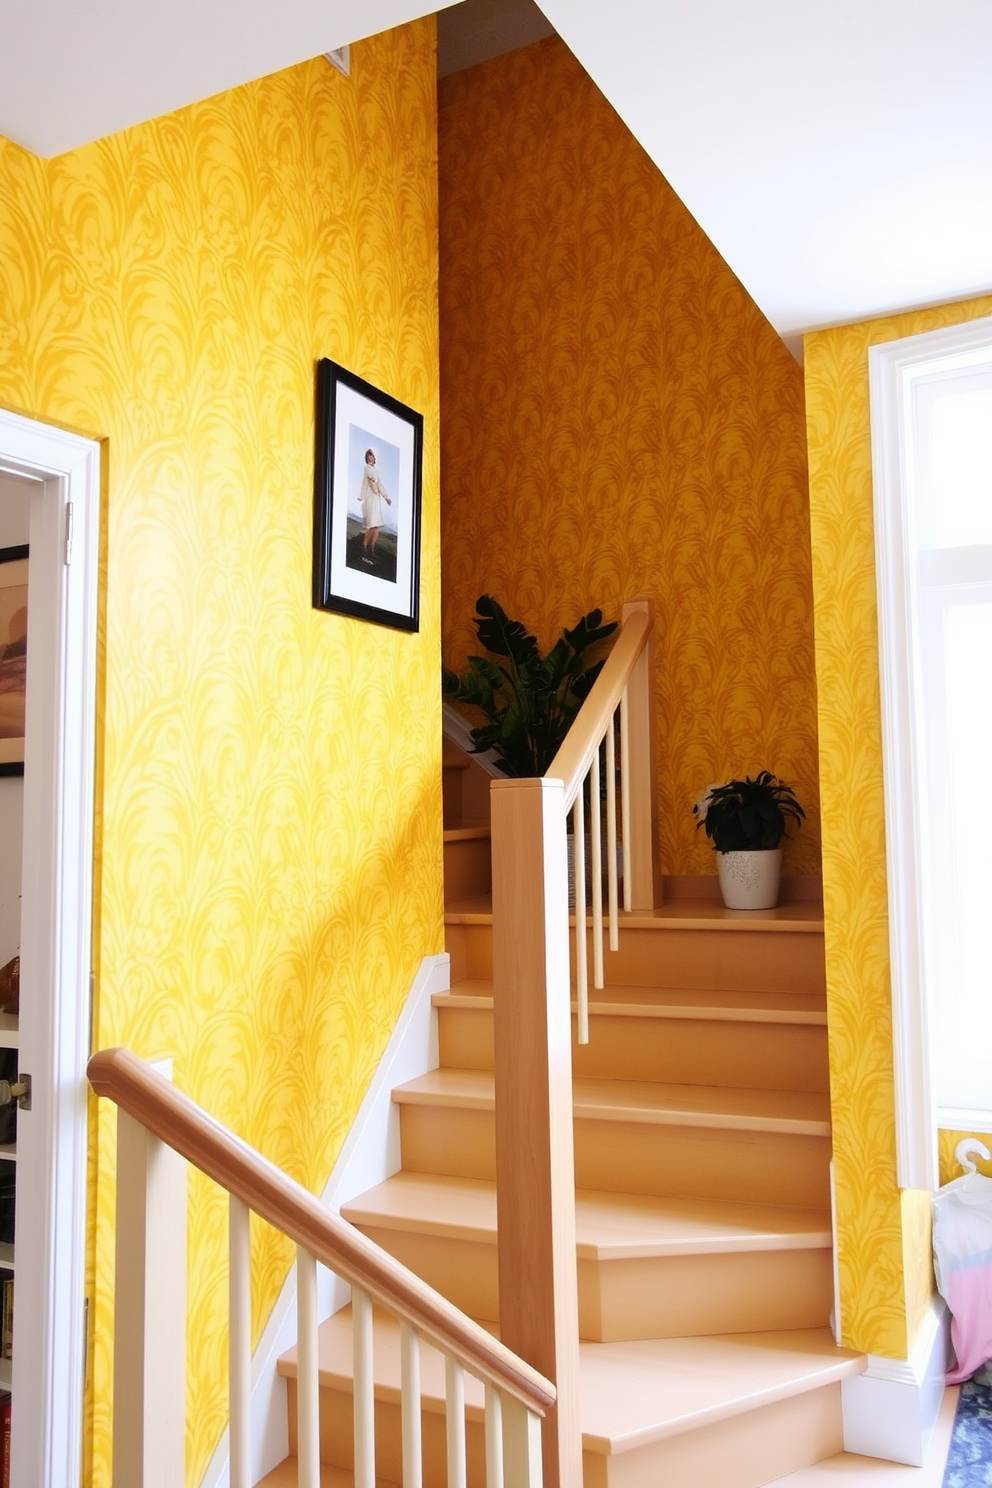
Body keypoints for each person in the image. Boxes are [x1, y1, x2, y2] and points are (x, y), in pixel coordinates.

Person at [358, 448, 391, 564]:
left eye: (372, 455)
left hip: (376, 499)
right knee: (371, 525)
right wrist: (375, 490)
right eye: (369, 455)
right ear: (367, 457)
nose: (371, 457)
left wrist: (386, 497)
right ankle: (364, 549)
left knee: (376, 526)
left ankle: (372, 550)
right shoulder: (367, 468)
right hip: (370, 498)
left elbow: (379, 484)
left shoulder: (376, 470)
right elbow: (371, 483)